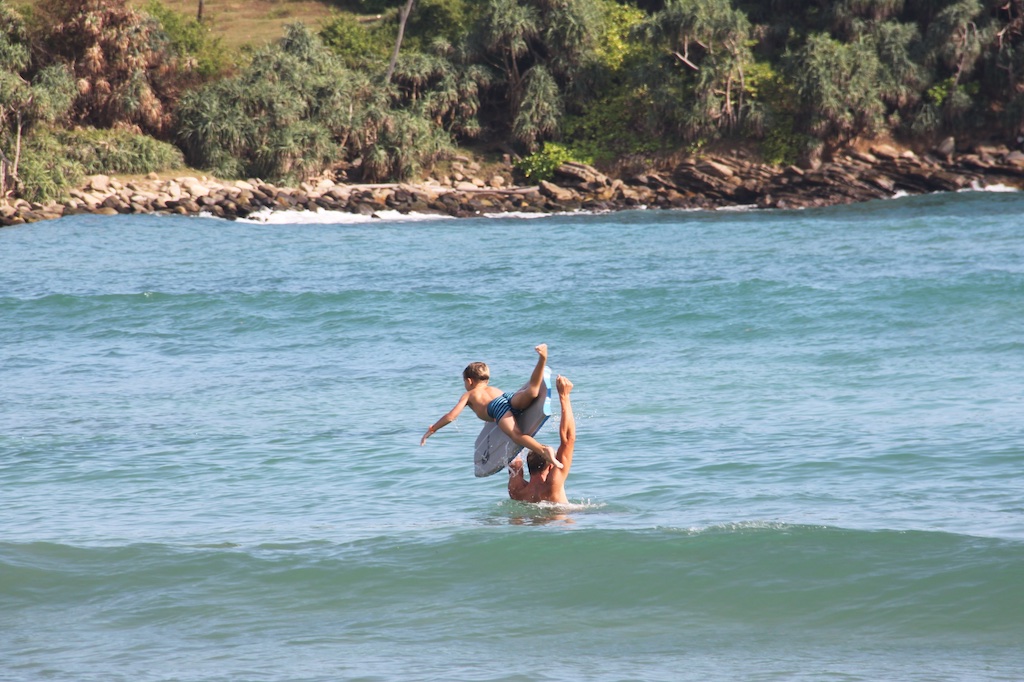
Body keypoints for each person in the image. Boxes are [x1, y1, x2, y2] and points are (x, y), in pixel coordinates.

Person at [420, 344, 561, 469]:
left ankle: (543, 450)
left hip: (497, 409)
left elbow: (451, 416)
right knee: (531, 391)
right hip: (507, 397)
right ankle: (542, 360)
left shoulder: (469, 395)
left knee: (516, 435)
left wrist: (432, 429)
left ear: (469, 381)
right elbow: (501, 404)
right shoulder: (492, 388)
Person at [508, 374, 575, 504]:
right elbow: (568, 440)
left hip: (531, 520)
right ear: (551, 466)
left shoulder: (516, 491)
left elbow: (514, 459)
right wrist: (564, 396)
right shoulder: (553, 486)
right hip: (560, 520)